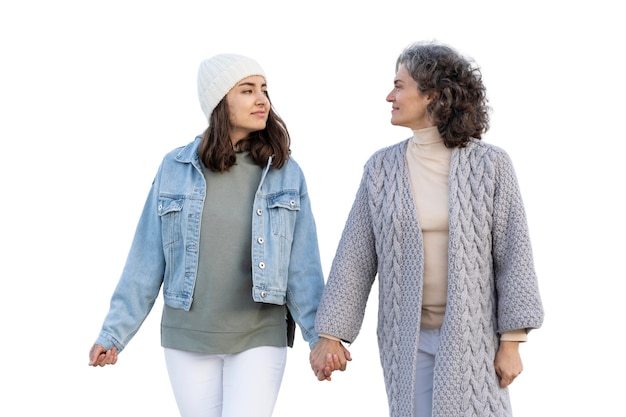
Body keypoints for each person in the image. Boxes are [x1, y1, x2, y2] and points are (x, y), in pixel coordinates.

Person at [309, 40, 545, 417]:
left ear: (432, 95)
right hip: (406, 338)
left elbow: (513, 255)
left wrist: (512, 342)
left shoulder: (491, 165)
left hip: (474, 338)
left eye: (400, 85)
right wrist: (330, 334)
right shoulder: (381, 170)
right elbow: (355, 257)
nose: (390, 95)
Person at [89, 53, 327, 417]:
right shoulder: (175, 167)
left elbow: (303, 266)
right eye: (247, 90)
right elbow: (146, 259)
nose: (262, 99)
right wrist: (113, 335)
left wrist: (319, 337)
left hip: (259, 335)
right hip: (187, 337)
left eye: (264, 89)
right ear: (219, 101)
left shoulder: (284, 171)